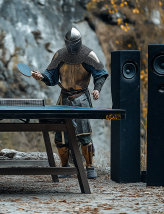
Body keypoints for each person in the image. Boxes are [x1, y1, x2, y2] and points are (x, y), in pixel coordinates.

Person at [32, 27, 108, 179]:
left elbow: (100, 74)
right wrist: (41, 77)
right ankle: (65, 167)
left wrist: (97, 89)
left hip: (82, 99)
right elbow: (50, 76)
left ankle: (90, 167)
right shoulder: (59, 55)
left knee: (84, 135)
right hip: (64, 98)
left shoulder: (88, 54)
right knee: (61, 135)